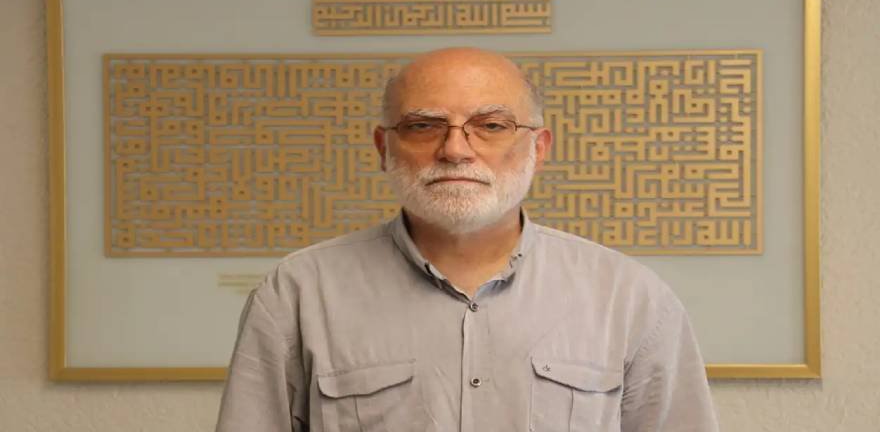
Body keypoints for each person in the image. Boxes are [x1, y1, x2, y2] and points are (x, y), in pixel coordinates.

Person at [216, 47, 719, 432]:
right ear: (383, 147)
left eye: (491, 125)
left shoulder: (629, 297)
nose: (455, 149)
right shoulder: (298, 292)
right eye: (423, 125)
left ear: (539, 148)